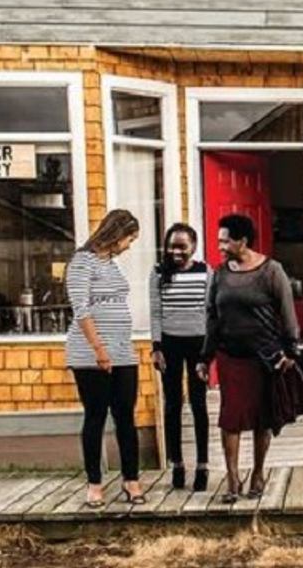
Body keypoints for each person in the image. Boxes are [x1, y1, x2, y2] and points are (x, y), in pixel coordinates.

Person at [196, 212, 300, 502]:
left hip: (264, 357)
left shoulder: (271, 271)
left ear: (242, 241)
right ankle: (232, 477)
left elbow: (287, 312)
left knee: (261, 417)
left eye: (225, 241)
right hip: (231, 356)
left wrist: (291, 350)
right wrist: (205, 357)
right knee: (231, 418)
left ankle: (257, 471)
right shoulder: (220, 274)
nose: (219, 246)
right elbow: (212, 317)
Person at [64, 207, 145, 508]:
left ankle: (131, 479)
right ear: (116, 234)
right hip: (90, 352)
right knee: (96, 415)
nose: (129, 246)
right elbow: (81, 309)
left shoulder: (110, 263)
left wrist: (118, 347)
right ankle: (95, 483)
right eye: (129, 239)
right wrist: (99, 350)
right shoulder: (81, 262)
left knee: (126, 415)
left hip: (122, 350)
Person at [149, 221, 211, 491]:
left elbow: (211, 314)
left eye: (182, 247)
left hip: (198, 345)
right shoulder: (158, 272)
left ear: (193, 247)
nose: (176, 252)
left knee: (199, 404)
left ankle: (202, 466)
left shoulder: (206, 271)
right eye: (172, 246)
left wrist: (207, 356)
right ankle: (177, 464)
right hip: (169, 345)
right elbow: (155, 313)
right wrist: (156, 347)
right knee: (172, 404)